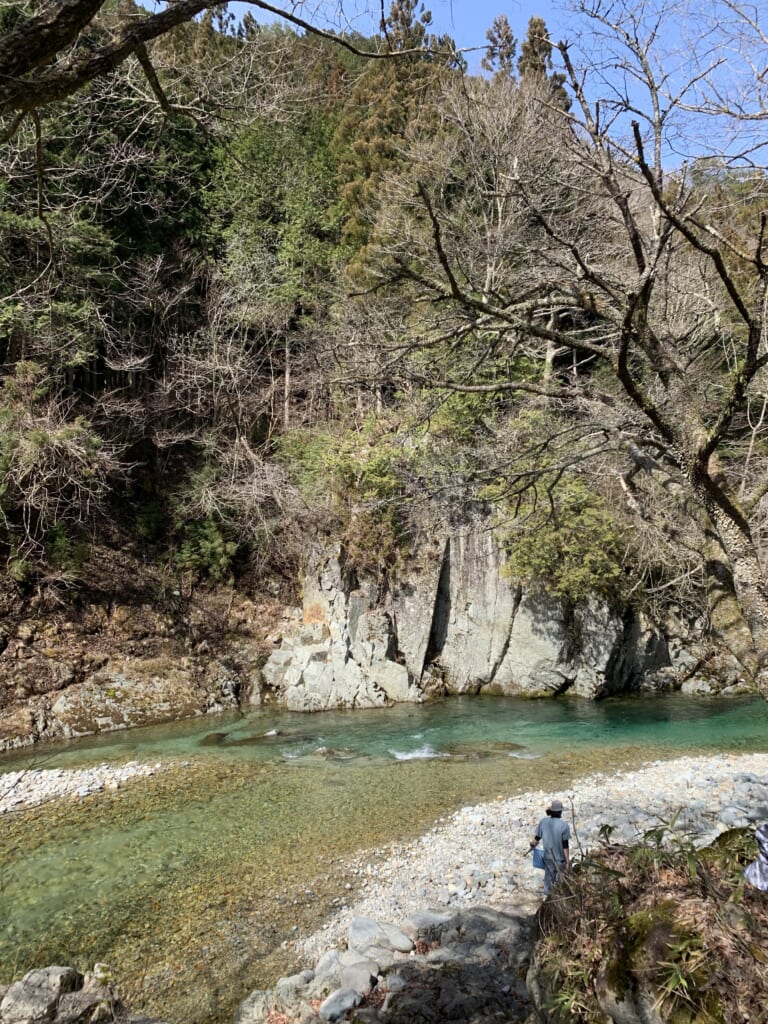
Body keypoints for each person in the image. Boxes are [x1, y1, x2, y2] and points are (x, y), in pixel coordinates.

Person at [530, 798, 571, 895]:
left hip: (548, 858)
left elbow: (537, 838)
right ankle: (559, 899)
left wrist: (532, 844)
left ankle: (547, 898)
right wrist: (568, 861)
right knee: (561, 882)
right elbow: (565, 845)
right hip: (560, 859)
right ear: (560, 811)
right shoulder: (564, 825)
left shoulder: (543, 822)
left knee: (548, 880)